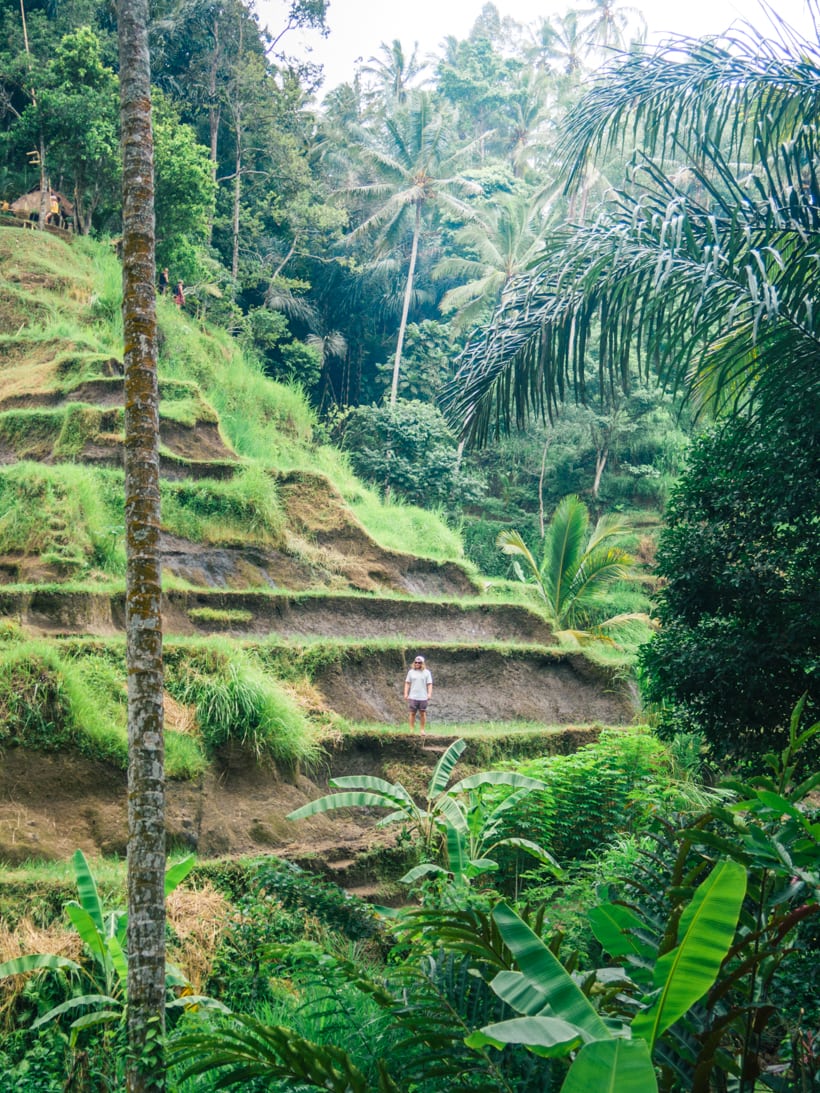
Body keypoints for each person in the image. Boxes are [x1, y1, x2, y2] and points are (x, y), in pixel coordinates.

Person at [404, 655, 433, 735]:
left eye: (419, 663)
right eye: (416, 662)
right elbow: (407, 683)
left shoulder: (427, 673)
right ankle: (411, 729)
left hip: (423, 696)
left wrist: (429, 694)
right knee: (412, 713)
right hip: (413, 696)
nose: (417, 664)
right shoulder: (411, 672)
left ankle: (422, 730)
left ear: (422, 663)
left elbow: (429, 684)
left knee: (422, 713)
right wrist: (406, 693)